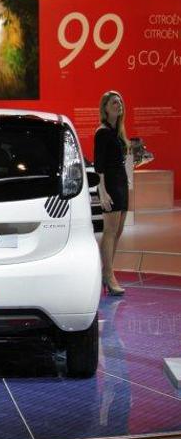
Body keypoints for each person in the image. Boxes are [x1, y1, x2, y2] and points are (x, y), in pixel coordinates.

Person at [94, 90, 131, 296]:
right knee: (110, 231)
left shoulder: (117, 132)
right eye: (114, 102)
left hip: (121, 184)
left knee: (118, 231)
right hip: (110, 185)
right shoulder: (102, 132)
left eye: (120, 101)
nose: (118, 104)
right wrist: (103, 192)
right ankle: (109, 275)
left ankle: (106, 272)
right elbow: (99, 166)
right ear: (105, 108)